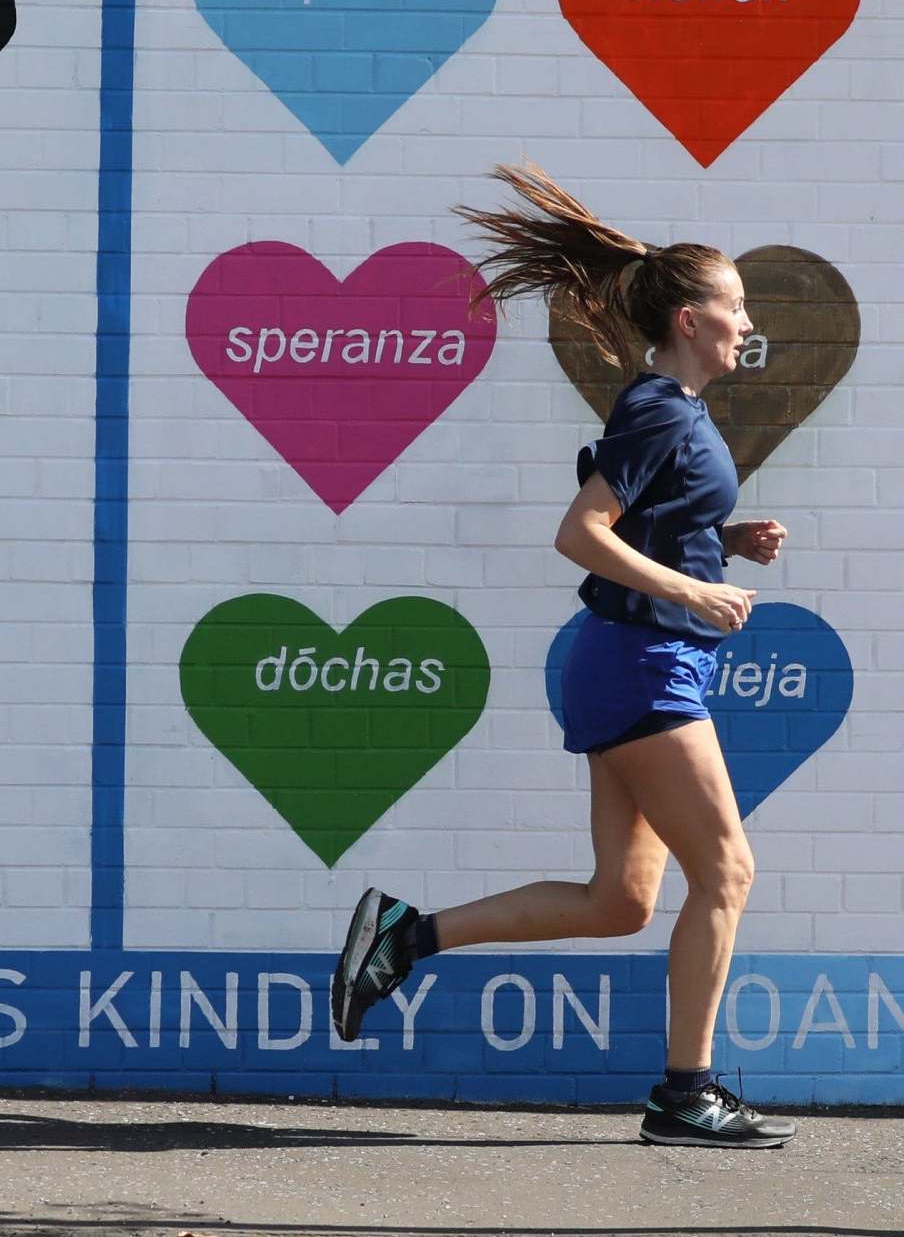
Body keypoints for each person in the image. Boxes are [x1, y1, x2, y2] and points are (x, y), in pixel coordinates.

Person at [327, 164, 795, 1149]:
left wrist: (723, 535)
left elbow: (648, 519)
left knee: (620, 901)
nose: (745, 323)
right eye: (733, 306)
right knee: (727, 871)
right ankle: (685, 1092)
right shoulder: (658, 407)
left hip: (628, 655)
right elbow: (580, 532)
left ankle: (400, 937)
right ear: (684, 318)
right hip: (641, 661)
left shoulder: (677, 412)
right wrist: (693, 590)